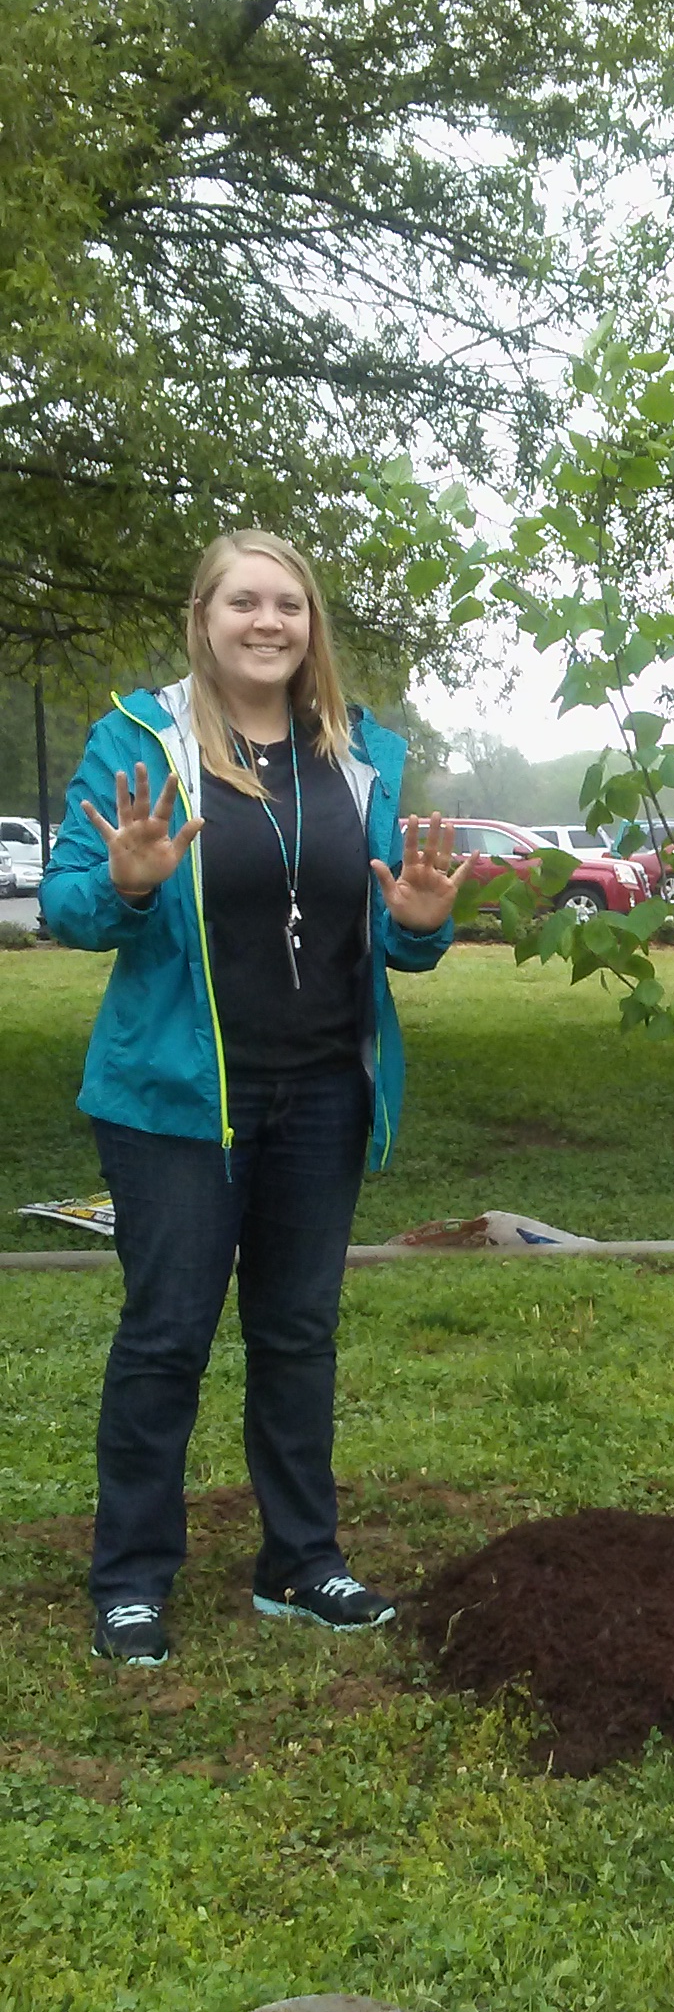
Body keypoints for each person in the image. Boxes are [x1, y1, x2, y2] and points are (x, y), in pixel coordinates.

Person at [42, 531, 469, 1668]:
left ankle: (299, 1559)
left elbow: (383, 921)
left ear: (310, 622)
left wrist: (420, 929)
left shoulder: (359, 752)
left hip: (324, 1090)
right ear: (205, 615)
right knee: (166, 1337)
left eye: (289, 602)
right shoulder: (142, 742)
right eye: (245, 602)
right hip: (174, 1100)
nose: (268, 621)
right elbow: (70, 902)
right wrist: (129, 886)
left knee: (297, 1332)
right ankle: (131, 1580)